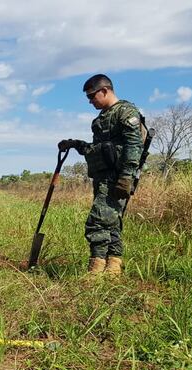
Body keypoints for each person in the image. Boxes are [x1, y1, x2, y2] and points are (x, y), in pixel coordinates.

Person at [58, 74, 144, 276]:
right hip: (102, 176)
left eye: (92, 96)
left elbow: (134, 145)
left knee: (97, 221)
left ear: (104, 91)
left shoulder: (125, 112)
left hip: (117, 178)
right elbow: (99, 149)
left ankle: (95, 272)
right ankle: (113, 269)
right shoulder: (101, 119)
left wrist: (126, 177)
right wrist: (74, 144)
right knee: (110, 223)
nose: (90, 101)